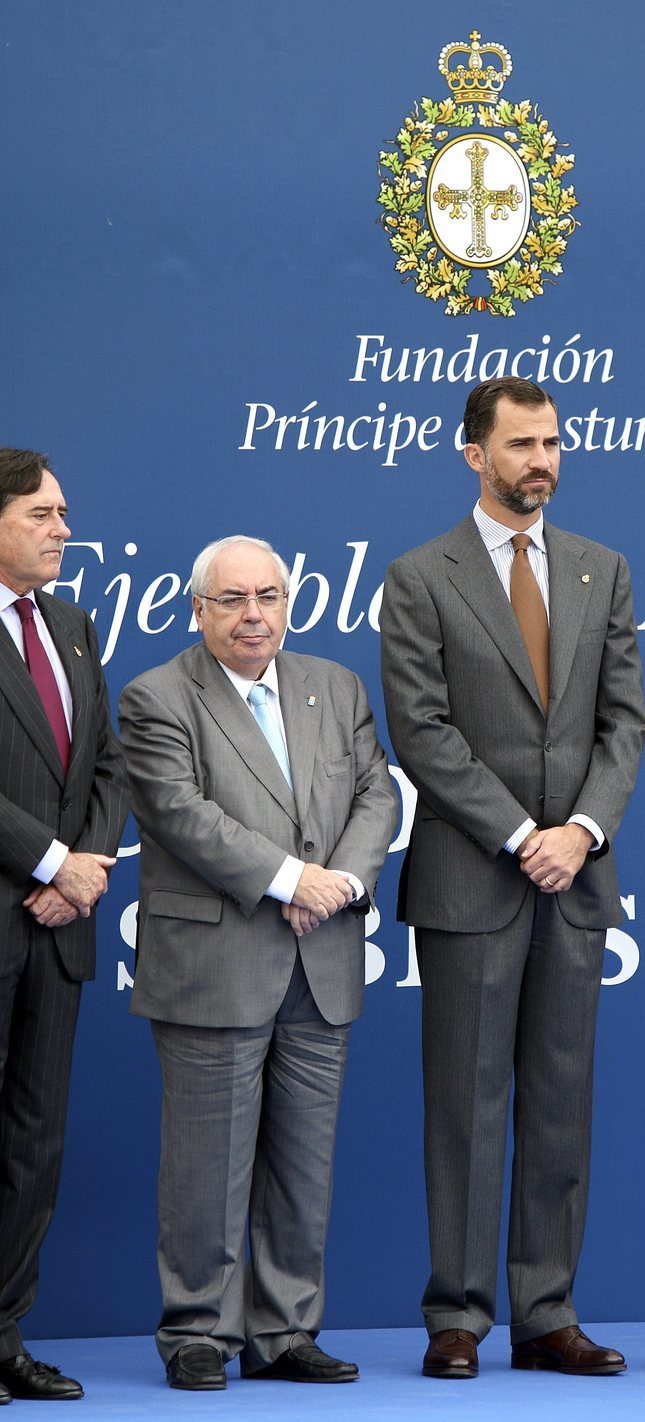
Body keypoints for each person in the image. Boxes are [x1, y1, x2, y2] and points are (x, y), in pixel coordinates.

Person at [380, 376, 645, 1380]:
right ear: (473, 454)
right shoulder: (418, 577)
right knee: (464, 1101)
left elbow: (624, 724)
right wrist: (516, 832)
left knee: (560, 1098)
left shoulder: (600, 571)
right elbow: (423, 732)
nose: (541, 460)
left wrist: (576, 831)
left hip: (572, 882)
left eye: (551, 443)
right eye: (521, 444)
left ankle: (545, 1314)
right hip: (470, 882)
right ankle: (457, 1314)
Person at [118, 535, 398, 1392]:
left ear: (288, 602)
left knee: (303, 1160)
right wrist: (291, 879)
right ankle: (198, 1331)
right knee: (207, 1162)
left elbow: (376, 792)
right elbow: (179, 812)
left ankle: (284, 1331)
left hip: (323, 957)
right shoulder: (156, 696)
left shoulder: (336, 685)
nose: (253, 615)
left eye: (267, 597)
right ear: (198, 609)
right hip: (216, 963)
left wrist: (342, 881)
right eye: (233, 599)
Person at [0, 448, 129, 1404]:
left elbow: (108, 769)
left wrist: (80, 875)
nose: (62, 528)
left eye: (65, 512)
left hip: (60, 928)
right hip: (12, 906)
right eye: (44, 513)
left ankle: (2, 1336)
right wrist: (48, 862)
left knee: (33, 1144)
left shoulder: (74, 627)